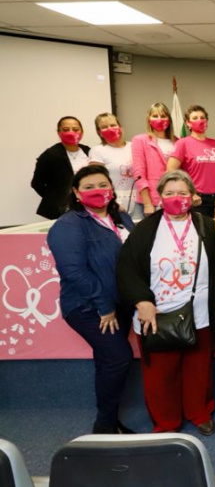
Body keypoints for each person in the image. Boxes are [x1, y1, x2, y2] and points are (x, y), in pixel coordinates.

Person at [116, 170, 215, 435]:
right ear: (160, 197)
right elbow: (127, 268)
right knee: (160, 375)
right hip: (156, 313)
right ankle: (166, 423)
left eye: (182, 193)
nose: (176, 198)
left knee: (198, 368)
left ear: (193, 196)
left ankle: (199, 413)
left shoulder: (207, 225)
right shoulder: (144, 230)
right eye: (169, 193)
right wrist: (141, 301)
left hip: (199, 312)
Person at [47, 164, 135, 434]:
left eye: (103, 185)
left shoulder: (120, 218)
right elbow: (73, 271)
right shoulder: (68, 225)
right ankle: (104, 427)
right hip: (89, 308)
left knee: (107, 361)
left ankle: (108, 421)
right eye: (89, 187)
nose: (98, 191)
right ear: (76, 192)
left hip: (120, 304)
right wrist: (104, 306)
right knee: (119, 358)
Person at [167, 105, 215, 217]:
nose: (199, 120)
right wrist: (189, 192)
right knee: (201, 232)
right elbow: (171, 171)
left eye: (202, 117)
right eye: (195, 118)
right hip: (198, 199)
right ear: (188, 123)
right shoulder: (183, 144)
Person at [32, 116, 91, 219]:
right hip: (61, 211)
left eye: (75, 129)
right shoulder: (50, 155)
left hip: (89, 206)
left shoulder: (88, 151)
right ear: (58, 133)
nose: (71, 132)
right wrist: (56, 199)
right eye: (65, 130)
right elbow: (37, 183)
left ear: (82, 132)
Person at [88, 113, 141, 219]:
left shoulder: (135, 146)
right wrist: (112, 202)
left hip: (139, 201)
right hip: (113, 202)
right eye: (104, 127)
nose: (110, 129)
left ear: (120, 126)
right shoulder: (97, 151)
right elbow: (96, 181)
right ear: (99, 132)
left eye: (113, 125)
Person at [132, 103, 178, 217]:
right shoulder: (140, 140)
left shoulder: (179, 141)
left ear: (169, 119)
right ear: (149, 120)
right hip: (151, 201)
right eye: (155, 116)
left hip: (174, 198)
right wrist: (147, 203)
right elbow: (139, 173)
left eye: (163, 116)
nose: (159, 119)